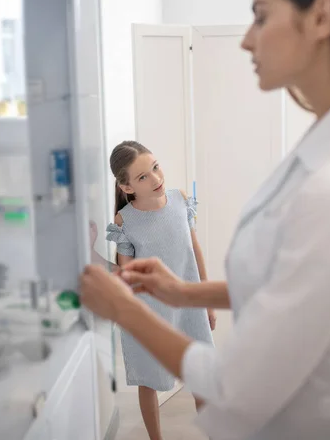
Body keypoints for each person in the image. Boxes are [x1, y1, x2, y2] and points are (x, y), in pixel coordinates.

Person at [80, 0, 330, 440]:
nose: (245, 38)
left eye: (261, 15)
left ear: (321, 16)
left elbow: (239, 388)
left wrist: (124, 307)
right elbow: (294, 288)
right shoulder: (325, 144)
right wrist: (182, 291)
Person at [105, 141, 215, 440]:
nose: (156, 178)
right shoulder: (125, 221)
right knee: (149, 380)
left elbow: (195, 251)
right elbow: (127, 275)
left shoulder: (180, 200)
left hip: (190, 304)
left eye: (155, 167)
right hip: (149, 311)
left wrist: (208, 301)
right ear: (127, 187)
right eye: (143, 177)